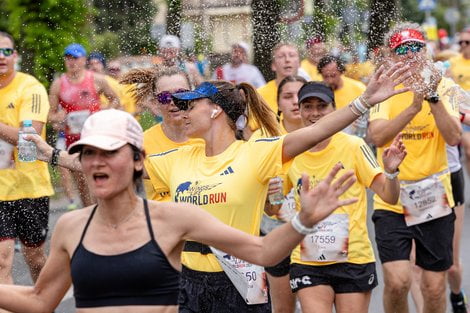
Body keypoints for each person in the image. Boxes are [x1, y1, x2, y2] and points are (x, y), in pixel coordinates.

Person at [5, 108, 357, 313]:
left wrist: (304, 221)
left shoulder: (171, 219)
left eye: (110, 152)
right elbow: (40, 301)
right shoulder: (70, 226)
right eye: (89, 153)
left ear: (139, 161)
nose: (97, 162)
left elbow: (263, 251)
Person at [143, 60, 411, 312]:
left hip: (240, 278)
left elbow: (317, 131)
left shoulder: (256, 153)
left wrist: (364, 102)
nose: (182, 112)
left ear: (215, 109)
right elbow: (117, 168)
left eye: (191, 105)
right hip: (189, 281)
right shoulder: (174, 160)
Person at [286, 81, 406, 313]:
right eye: (307, 106)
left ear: (334, 109)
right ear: (298, 110)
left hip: (353, 258)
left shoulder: (353, 146)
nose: (314, 113)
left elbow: (388, 197)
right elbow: (272, 208)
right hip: (307, 259)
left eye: (322, 106)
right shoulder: (289, 149)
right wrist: (274, 198)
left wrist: (391, 172)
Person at [368, 23, 462, 313]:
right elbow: (377, 136)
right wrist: (412, 107)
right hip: (392, 198)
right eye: (402, 51)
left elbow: (454, 137)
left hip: (434, 199)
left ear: (426, 51)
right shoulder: (385, 88)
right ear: (392, 56)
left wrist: (431, 97)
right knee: (397, 282)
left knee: (434, 288)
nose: (410, 56)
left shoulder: (446, 87)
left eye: (416, 48)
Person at [0, 31, 54, 297]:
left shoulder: (30, 87)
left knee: (35, 257)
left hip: (30, 187)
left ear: (15, 56)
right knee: (2, 260)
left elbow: (29, 141)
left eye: (6, 51)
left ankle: (44, 302)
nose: (1, 56)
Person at [254, 75, 307, 313]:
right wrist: (272, 199)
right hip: (277, 231)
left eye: (300, 96)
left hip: (317, 233)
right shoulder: (264, 140)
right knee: (284, 308)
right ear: (277, 103)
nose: (295, 101)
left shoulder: (324, 138)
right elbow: (264, 201)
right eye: (287, 96)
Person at [48, 43, 120, 207]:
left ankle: (107, 210)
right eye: (68, 58)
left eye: (75, 58)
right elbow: (50, 115)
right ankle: (91, 215)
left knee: (100, 177)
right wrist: (58, 117)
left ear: (84, 60)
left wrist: (104, 113)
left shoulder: (97, 79)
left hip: (96, 138)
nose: (71, 62)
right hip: (73, 141)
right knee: (82, 183)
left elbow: (115, 100)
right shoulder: (59, 84)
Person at [120, 66, 204, 201]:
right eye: (165, 97)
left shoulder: (208, 137)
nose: (173, 101)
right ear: (154, 103)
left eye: (181, 93)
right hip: (160, 220)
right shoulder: (142, 142)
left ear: (192, 96)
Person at [257, 42, 311, 115]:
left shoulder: (310, 91)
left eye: (292, 55)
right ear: (273, 65)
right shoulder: (260, 95)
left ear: (299, 63)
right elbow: (252, 126)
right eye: (281, 56)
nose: (287, 60)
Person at [449, 28, 470, 187]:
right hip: (463, 111)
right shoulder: (454, 62)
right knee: (469, 152)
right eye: (461, 42)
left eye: (467, 42)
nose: (464, 45)